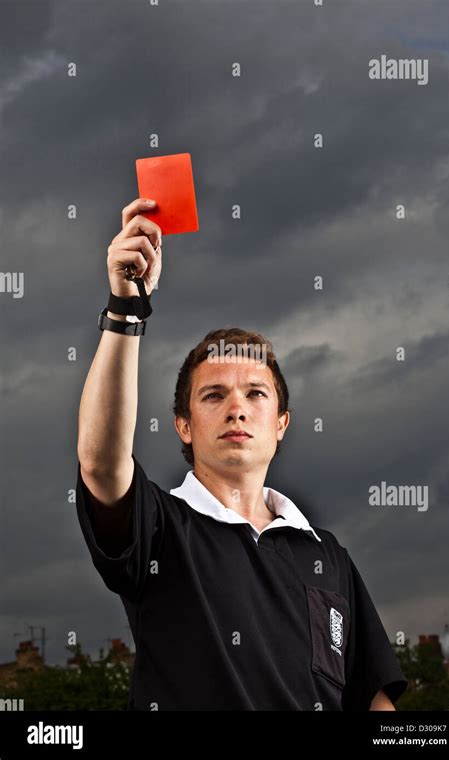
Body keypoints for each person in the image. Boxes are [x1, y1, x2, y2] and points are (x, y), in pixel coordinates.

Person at [75, 197, 408, 711]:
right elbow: (100, 463)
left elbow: (375, 697)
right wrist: (126, 307)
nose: (237, 408)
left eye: (255, 393)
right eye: (213, 395)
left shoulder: (327, 555)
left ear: (281, 424)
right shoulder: (161, 527)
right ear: (183, 426)